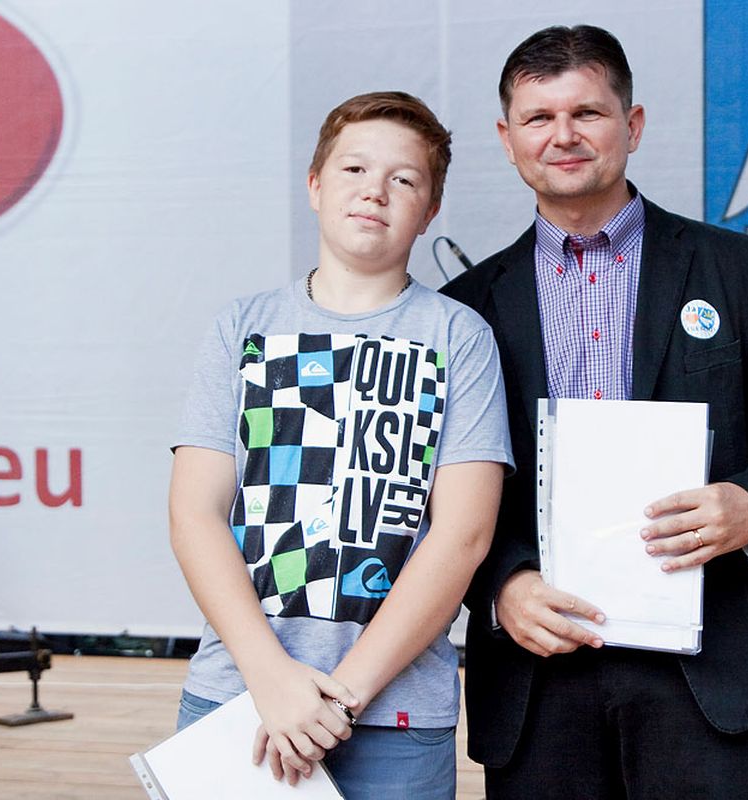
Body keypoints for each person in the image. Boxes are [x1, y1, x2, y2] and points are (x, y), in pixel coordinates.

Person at [441, 25, 748, 799]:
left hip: (703, 666)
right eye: (538, 117)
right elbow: (447, 492)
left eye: (587, 112)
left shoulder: (737, 269)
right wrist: (500, 586)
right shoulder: (465, 309)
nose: (563, 135)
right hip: (537, 671)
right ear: (507, 138)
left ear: (633, 124)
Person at [169, 91, 512, 799]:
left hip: (395, 714)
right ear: (315, 185)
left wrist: (339, 699)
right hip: (239, 696)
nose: (374, 191)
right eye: (354, 169)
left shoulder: (459, 337)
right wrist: (271, 678)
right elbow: (195, 514)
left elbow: (464, 536)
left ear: (431, 209)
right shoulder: (241, 327)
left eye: (404, 179)